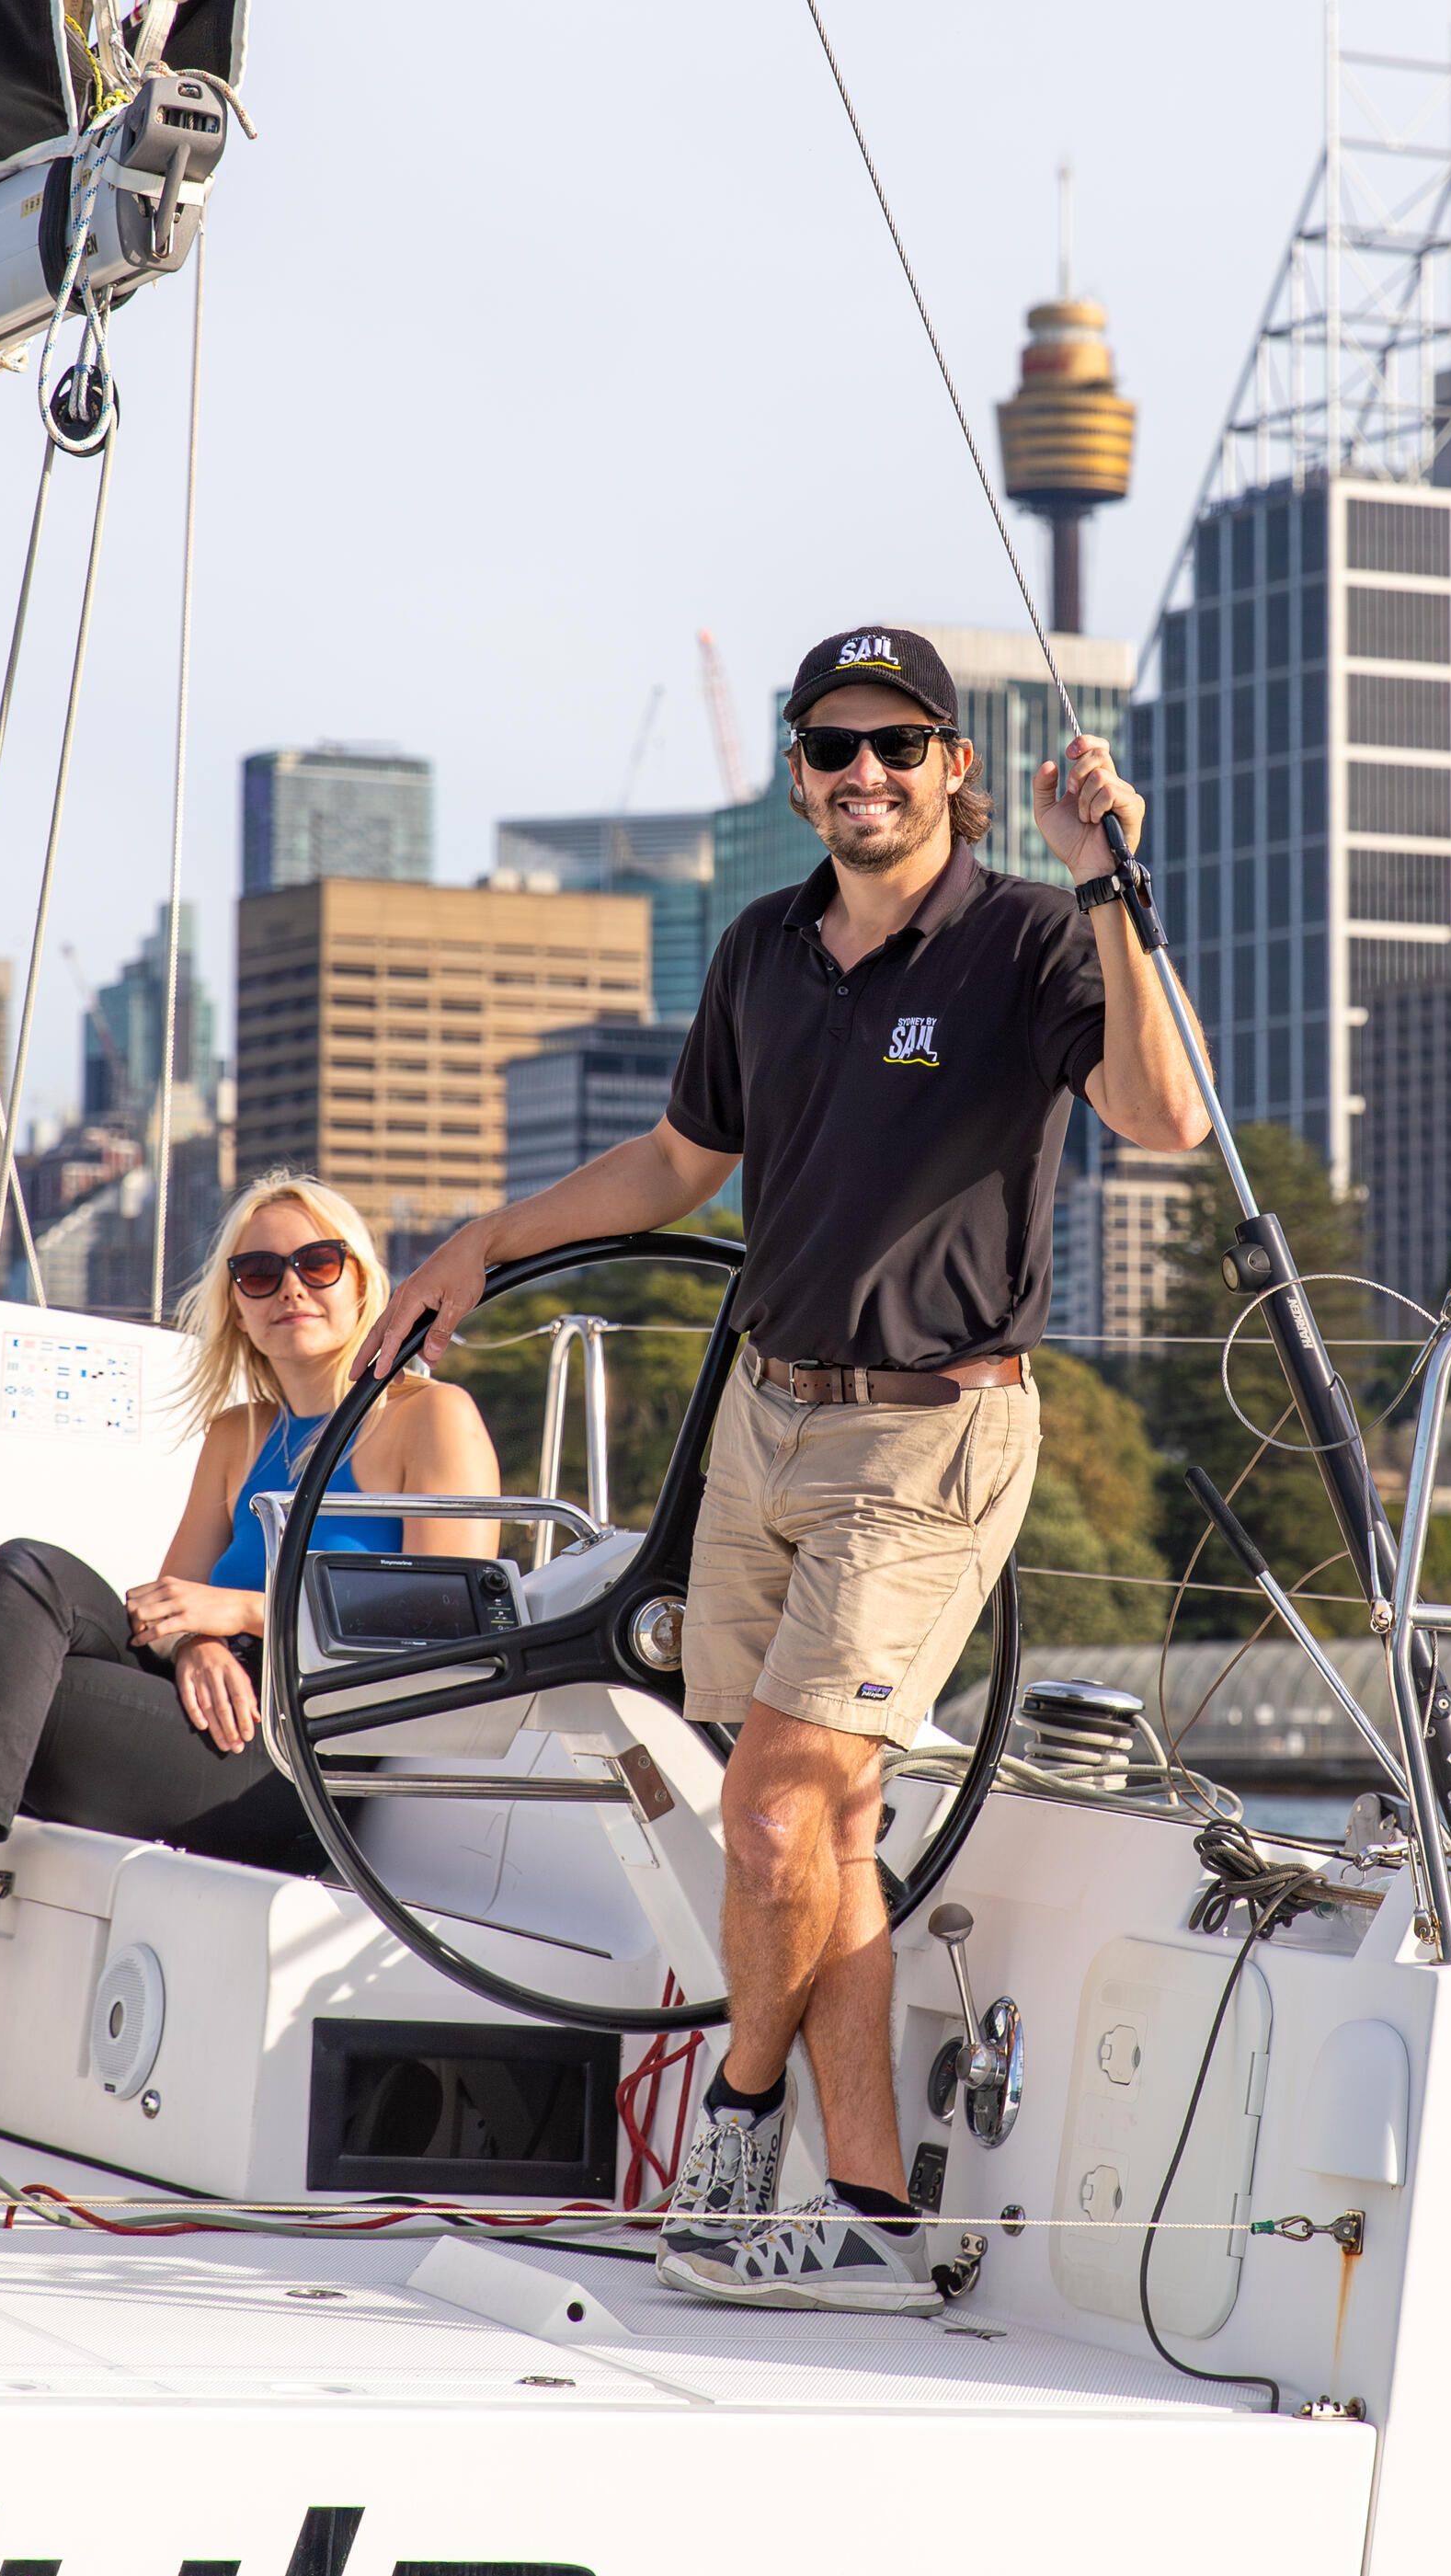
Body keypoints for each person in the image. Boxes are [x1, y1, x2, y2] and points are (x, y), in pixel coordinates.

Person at [360, 625, 1210, 2313]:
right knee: (830, 1825)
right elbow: (683, 1160)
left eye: (901, 747)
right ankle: (878, 2210)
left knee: (767, 1815)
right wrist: (485, 1238)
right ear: (799, 772)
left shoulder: (1034, 939)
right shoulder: (760, 948)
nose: (866, 775)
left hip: (930, 1438)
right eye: (834, 747)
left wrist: (1111, 881)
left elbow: (1166, 1118)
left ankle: (738, 2129)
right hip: (762, 1417)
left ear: (956, 768)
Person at [0, 1171, 500, 1969]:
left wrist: (238, 1614)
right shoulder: (240, 1434)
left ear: (365, 1282)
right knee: (28, 1571)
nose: (290, 1288)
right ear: (237, 1304)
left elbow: (450, 1620)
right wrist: (195, 1645)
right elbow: (165, 1611)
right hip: (202, 1712)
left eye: (319, 1263)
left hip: (296, 1764)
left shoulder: (429, 1416)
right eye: (259, 1274)